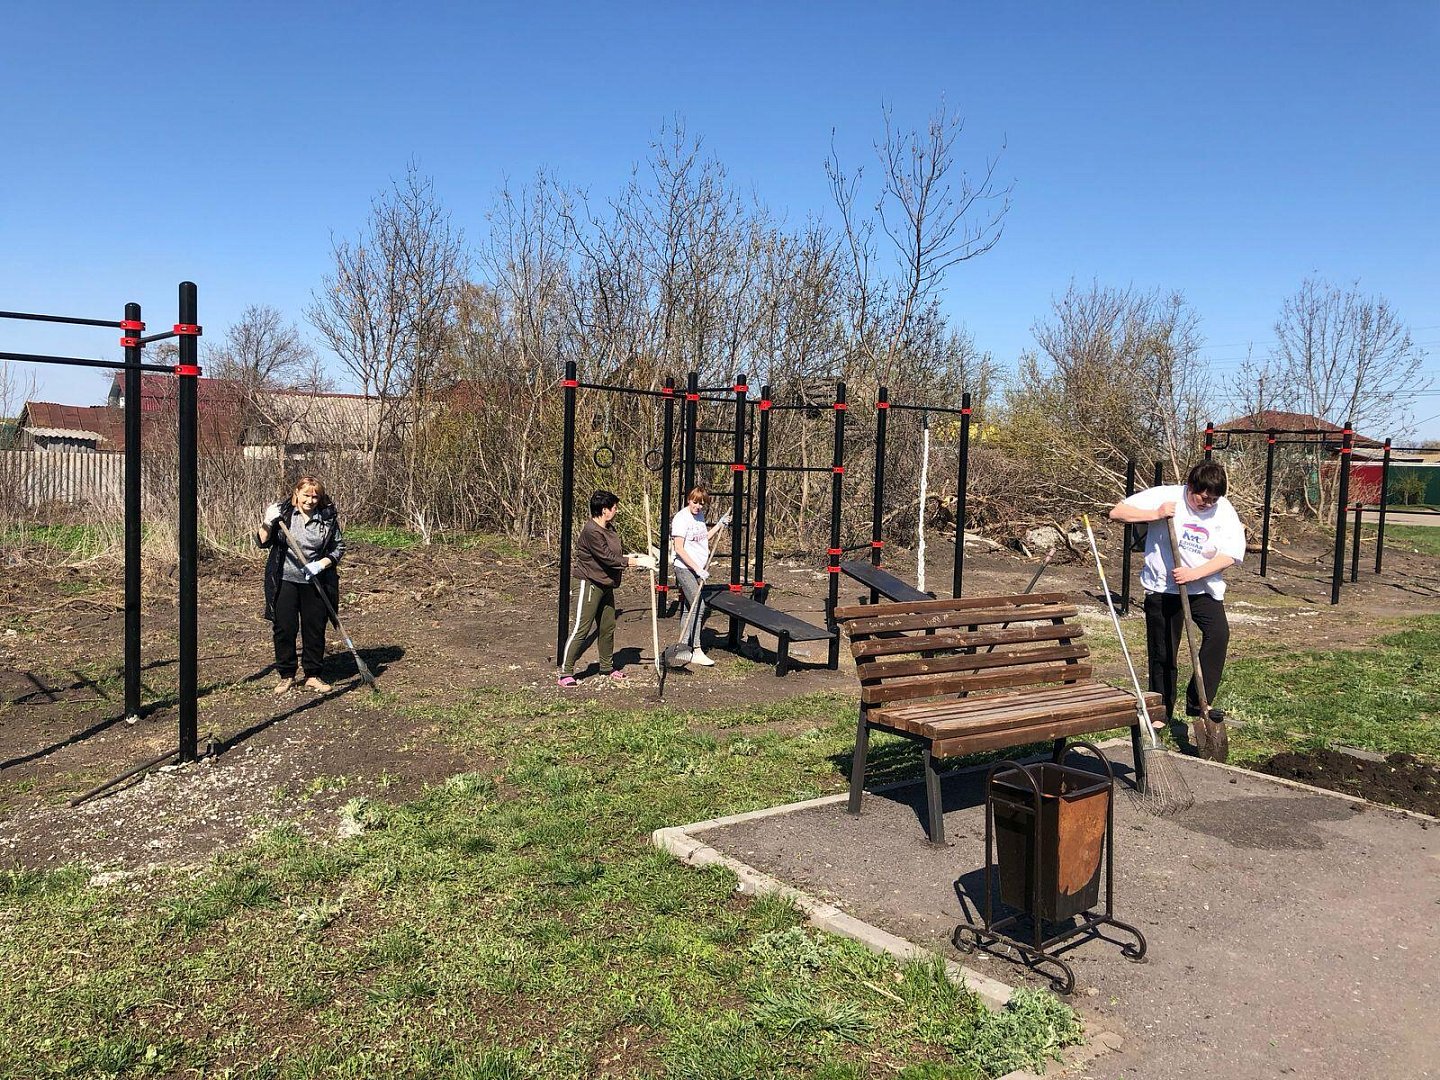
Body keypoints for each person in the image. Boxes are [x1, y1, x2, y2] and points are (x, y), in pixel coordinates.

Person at [1109, 460, 1246, 735]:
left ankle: (1199, 702)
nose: (1207, 504)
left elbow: (1231, 554)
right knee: (1164, 652)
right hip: (1163, 588)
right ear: (1191, 486)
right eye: (1203, 497)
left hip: (1202, 587)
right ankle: (1161, 711)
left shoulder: (1223, 509)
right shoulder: (1166, 496)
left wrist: (1195, 573)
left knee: (1218, 635)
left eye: (1213, 499)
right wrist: (1155, 513)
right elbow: (1117, 512)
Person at [257, 476, 347, 694]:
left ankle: (312, 675)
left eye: (315, 496)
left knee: (314, 628)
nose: (310, 500)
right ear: (296, 493)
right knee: (284, 628)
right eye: (306, 495)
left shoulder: (327, 518)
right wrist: (267, 522)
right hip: (284, 580)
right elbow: (262, 542)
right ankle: (286, 675)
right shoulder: (284, 514)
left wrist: (321, 564)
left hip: (315, 581)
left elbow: (339, 547)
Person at [559, 490, 655, 687]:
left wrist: (637, 556)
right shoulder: (591, 531)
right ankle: (565, 672)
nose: (616, 510)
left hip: (606, 584)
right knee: (582, 628)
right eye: (614, 507)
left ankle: (606, 667)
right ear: (604, 510)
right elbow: (608, 558)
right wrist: (637, 562)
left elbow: (615, 553)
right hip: (589, 583)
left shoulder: (609, 528)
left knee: (607, 626)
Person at [669, 485, 732, 667]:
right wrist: (697, 569)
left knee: (689, 607)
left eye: (702, 504)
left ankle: (684, 648)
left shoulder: (700, 516)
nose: (698, 507)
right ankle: (696, 649)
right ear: (689, 500)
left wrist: (719, 525)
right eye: (695, 502)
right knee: (698, 605)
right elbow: (679, 548)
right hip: (685, 568)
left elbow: (703, 538)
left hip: (698, 568)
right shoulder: (681, 519)